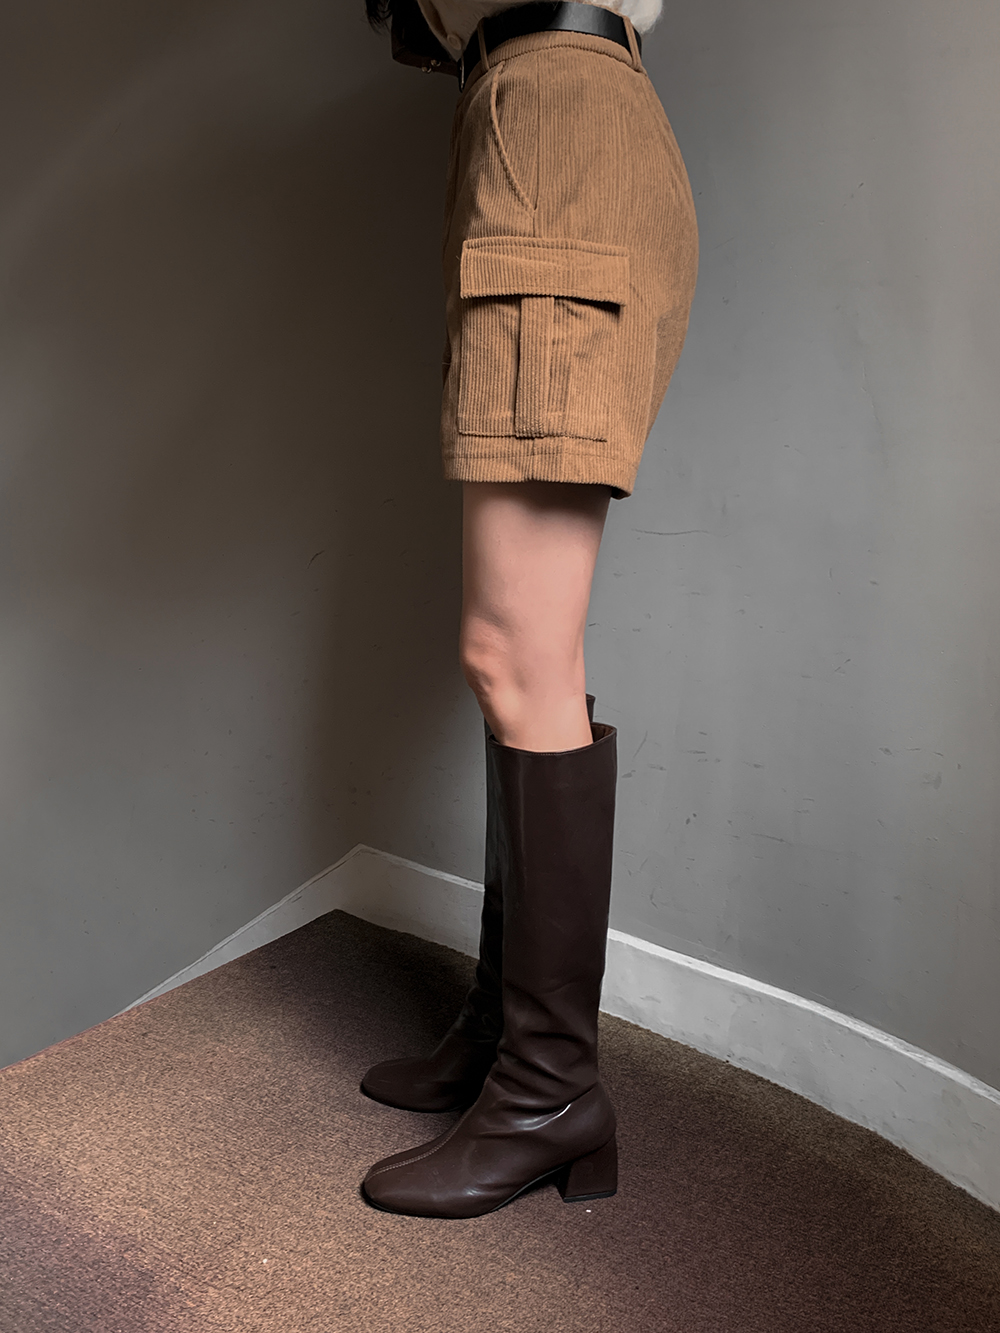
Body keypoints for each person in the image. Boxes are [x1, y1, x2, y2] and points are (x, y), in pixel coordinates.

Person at [358, 0, 698, 1218]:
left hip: (555, 117)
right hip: (522, 116)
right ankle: (511, 1037)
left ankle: (550, 1089)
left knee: (514, 654)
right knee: (517, 652)